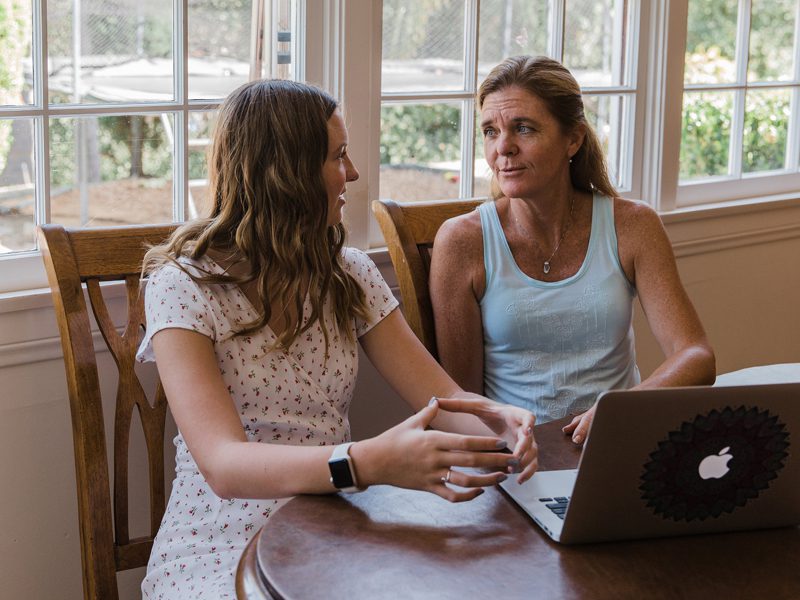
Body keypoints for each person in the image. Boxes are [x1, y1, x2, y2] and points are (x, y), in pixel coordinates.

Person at [135, 79, 537, 599]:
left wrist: (499, 425)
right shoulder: (182, 286)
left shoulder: (347, 274)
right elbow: (223, 465)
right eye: (337, 156)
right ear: (287, 172)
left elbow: (442, 400)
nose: (352, 173)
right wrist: (366, 462)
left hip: (330, 528)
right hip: (218, 544)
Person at [430, 55, 715, 447]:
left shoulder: (632, 225)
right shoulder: (462, 241)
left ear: (574, 139)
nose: (503, 148)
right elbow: (462, 402)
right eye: (490, 131)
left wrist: (621, 409)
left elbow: (696, 355)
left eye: (524, 128)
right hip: (517, 459)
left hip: (618, 443)